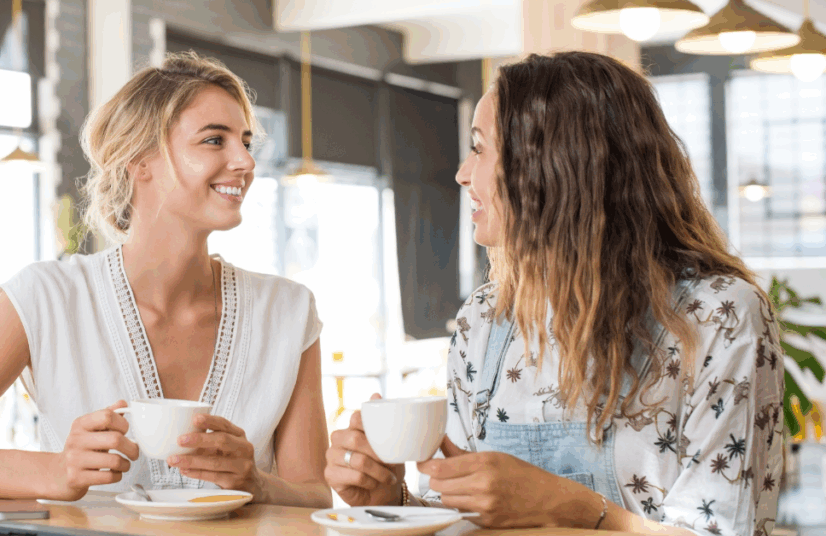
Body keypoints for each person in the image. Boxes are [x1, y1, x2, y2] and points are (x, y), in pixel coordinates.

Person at [325, 51, 783, 536]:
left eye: (479, 149)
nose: (462, 173)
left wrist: (575, 508)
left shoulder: (718, 317)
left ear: (552, 167)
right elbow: (459, 517)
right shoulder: (484, 318)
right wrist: (393, 500)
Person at [0, 51, 332, 508]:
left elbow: (314, 495)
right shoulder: (46, 298)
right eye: (215, 140)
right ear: (140, 160)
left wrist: (257, 483)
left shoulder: (288, 312)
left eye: (246, 142)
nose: (246, 162)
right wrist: (54, 471)